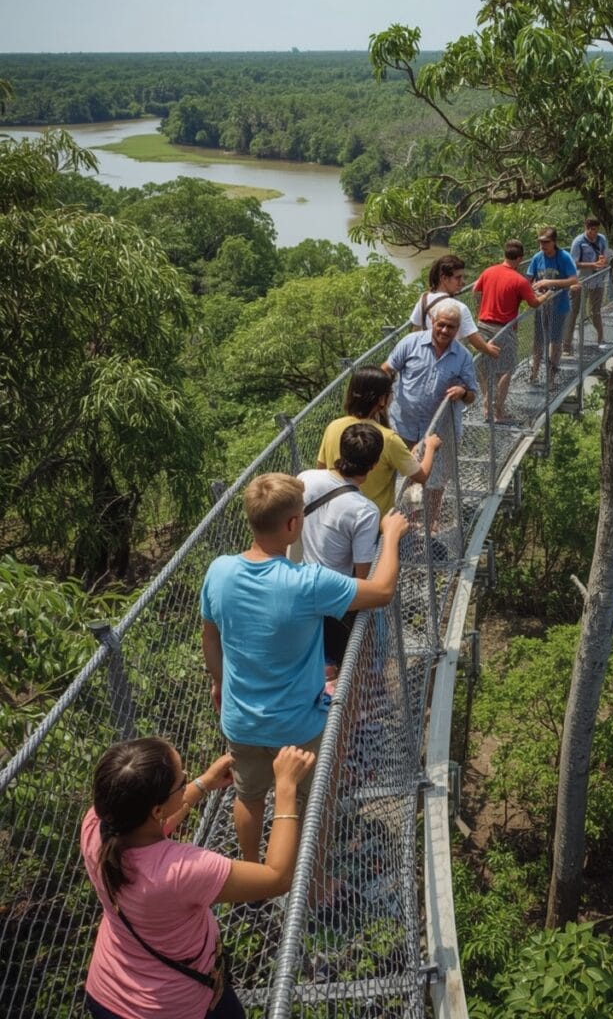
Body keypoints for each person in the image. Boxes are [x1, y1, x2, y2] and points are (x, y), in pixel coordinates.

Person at [201, 472, 408, 863]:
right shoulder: (307, 582)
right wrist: (392, 533)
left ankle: (251, 872)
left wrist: (218, 682)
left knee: (248, 796)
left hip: (240, 719)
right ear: (293, 525)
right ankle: (305, 885)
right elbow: (381, 592)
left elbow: (209, 638)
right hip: (297, 727)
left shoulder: (219, 571)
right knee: (307, 801)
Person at [81, 737, 316, 1019]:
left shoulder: (98, 825)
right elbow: (277, 877)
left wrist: (204, 783)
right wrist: (286, 787)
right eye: (182, 781)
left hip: (106, 991)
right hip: (175, 1006)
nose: (187, 781)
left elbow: (149, 825)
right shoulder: (183, 871)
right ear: (156, 809)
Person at [299, 423, 383, 680]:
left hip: (303, 582)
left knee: (317, 656)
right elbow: (362, 575)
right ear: (375, 464)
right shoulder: (365, 511)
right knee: (351, 659)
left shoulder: (306, 478)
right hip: (337, 596)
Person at [316, 366, 441, 518]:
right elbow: (421, 476)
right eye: (390, 393)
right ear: (382, 399)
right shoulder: (388, 438)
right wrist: (430, 448)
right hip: (374, 521)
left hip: (337, 514)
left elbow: (321, 470)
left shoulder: (333, 426)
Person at [382, 299, 479, 447]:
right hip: (401, 428)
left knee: (433, 471)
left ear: (458, 328)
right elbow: (386, 370)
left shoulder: (464, 357)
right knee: (399, 470)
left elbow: (472, 396)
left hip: (437, 434)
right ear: (432, 321)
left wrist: (463, 392)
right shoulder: (410, 343)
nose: (445, 330)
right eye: (441, 324)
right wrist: (380, 403)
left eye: (451, 327)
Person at [472, 238, 549, 422]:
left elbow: (475, 290)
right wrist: (547, 294)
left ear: (504, 254)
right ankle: (498, 412)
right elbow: (534, 303)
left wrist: (478, 312)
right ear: (520, 259)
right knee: (505, 370)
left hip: (482, 325)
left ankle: (486, 404)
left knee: (484, 368)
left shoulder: (489, 271)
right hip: (505, 330)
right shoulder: (519, 280)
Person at [408, 254, 500, 361]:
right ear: (444, 278)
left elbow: (415, 329)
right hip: (449, 363)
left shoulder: (424, 298)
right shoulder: (459, 307)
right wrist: (489, 350)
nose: (463, 282)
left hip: (426, 360)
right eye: (458, 278)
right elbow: (473, 338)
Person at [526, 227, 577, 384]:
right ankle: (534, 373)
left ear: (554, 242)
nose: (543, 245)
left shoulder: (564, 257)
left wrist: (550, 282)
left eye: (546, 242)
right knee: (538, 341)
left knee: (555, 342)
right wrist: (535, 293)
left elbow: (573, 280)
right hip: (542, 307)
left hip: (559, 307)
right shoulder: (537, 258)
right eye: (541, 242)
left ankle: (551, 377)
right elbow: (529, 280)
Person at [567, 218, 609, 354]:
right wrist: (592, 265)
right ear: (586, 228)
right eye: (591, 230)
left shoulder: (601, 239)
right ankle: (567, 345)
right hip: (581, 281)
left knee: (595, 311)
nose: (593, 233)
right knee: (574, 311)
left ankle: (601, 340)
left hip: (597, 280)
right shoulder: (578, 242)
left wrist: (603, 261)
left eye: (596, 230)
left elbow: (605, 255)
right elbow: (574, 263)